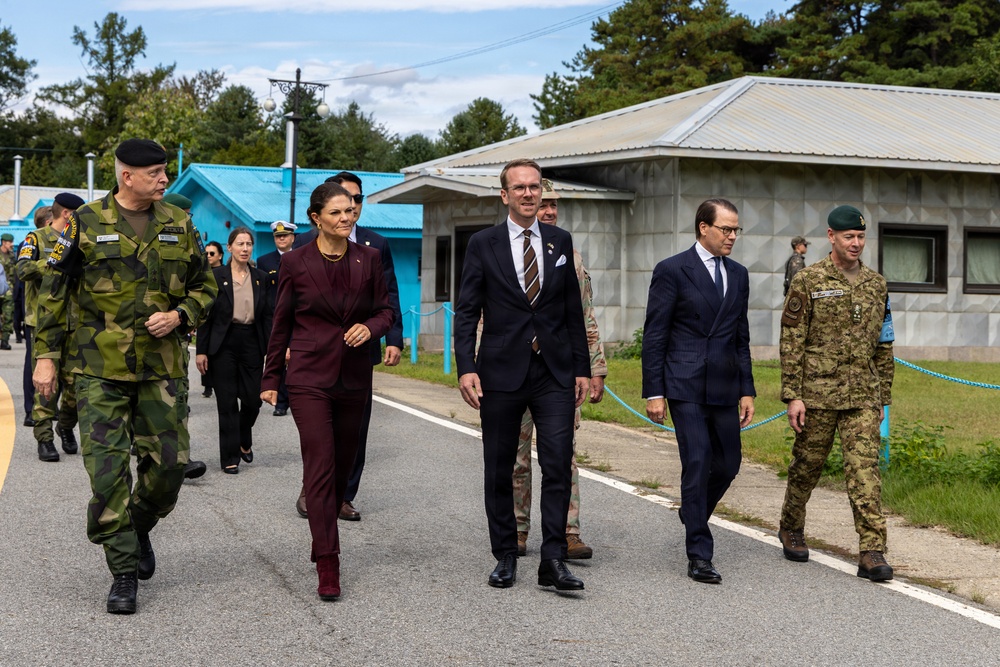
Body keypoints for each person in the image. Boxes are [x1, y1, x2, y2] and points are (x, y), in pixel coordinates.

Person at [33, 138, 217, 615]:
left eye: (163, 172)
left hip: (161, 370)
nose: (163, 179)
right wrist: (46, 356)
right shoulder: (85, 223)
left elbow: (205, 286)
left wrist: (180, 315)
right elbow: (54, 291)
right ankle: (122, 572)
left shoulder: (180, 223)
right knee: (108, 475)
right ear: (126, 176)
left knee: (170, 470)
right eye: (155, 172)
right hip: (99, 371)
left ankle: (137, 529)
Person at [455, 158, 590, 592]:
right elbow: (467, 311)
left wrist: (583, 369)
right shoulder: (483, 243)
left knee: (557, 465)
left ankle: (553, 559)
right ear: (504, 195)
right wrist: (466, 367)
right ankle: (506, 555)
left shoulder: (560, 241)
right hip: (500, 372)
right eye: (520, 188)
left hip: (553, 372)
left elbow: (572, 310)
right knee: (499, 467)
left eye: (535, 187)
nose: (529, 194)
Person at [260, 181, 392, 602]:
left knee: (342, 468)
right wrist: (269, 379)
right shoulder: (295, 262)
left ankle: (325, 526)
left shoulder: (368, 258)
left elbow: (387, 309)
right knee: (319, 464)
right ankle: (328, 560)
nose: (346, 218)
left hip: (354, 378)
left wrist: (370, 328)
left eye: (351, 210)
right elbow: (281, 322)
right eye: (337, 212)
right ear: (316, 218)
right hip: (309, 378)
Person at [778, 204, 895, 582]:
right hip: (817, 393)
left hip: (862, 394)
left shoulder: (877, 284)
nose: (856, 243)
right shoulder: (808, 280)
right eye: (849, 237)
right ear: (832, 237)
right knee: (806, 467)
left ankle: (872, 550)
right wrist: (793, 395)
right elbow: (792, 340)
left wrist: (883, 398)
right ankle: (791, 525)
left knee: (865, 473)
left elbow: (884, 344)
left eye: (861, 236)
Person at [641, 197, 756, 585]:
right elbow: (655, 335)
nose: (732, 236)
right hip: (684, 383)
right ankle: (699, 554)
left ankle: (693, 510)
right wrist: (653, 391)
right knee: (698, 461)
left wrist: (747, 389)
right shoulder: (672, 270)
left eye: (736, 230)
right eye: (726, 229)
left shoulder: (738, 275)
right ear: (703, 228)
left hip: (725, 384)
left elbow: (742, 337)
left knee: (729, 464)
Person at [292, 171, 403, 522]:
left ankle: (343, 494)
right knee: (319, 432)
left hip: (359, 350)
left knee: (354, 430)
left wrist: (392, 338)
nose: (350, 209)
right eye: (342, 202)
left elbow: (389, 295)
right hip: (315, 356)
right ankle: (315, 488)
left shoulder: (375, 245)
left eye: (356, 201)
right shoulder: (303, 246)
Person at [512, 179, 606, 560]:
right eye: (542, 202)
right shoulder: (502, 249)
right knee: (514, 457)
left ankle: (568, 531)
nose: (548, 210)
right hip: (513, 370)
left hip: (559, 371)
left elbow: (584, 315)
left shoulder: (569, 252)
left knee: (562, 454)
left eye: (553, 205)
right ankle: (516, 529)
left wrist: (595, 367)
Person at [196, 227, 271, 474]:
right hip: (223, 343)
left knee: (252, 400)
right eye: (240, 244)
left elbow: (268, 316)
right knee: (227, 402)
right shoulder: (216, 276)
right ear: (229, 248)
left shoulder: (261, 277)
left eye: (249, 244)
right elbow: (206, 316)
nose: (245, 248)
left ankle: (243, 438)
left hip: (251, 341)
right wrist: (202, 350)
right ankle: (230, 456)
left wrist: (275, 349)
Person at [18, 196, 85, 461]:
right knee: (46, 383)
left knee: (75, 384)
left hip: (76, 322)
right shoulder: (36, 238)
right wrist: (52, 263)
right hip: (44, 322)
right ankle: (44, 438)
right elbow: (23, 270)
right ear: (67, 214)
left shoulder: (80, 240)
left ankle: (66, 427)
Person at [162, 192, 208, 481]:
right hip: (143, 337)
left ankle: (181, 458)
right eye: (186, 213)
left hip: (176, 335)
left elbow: (201, 286)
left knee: (178, 397)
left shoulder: (188, 242)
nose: (190, 219)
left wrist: (186, 315)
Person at [255, 220, 296, 418]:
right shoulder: (265, 261)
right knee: (278, 357)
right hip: (274, 318)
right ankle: (281, 402)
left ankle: (295, 398)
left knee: (296, 359)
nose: (281, 239)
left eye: (285, 236)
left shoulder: (301, 257)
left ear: (292, 238)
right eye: (278, 236)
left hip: (298, 318)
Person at [200, 240, 224, 399]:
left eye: (212, 253)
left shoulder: (224, 273)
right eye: (206, 253)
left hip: (220, 316)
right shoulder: (202, 273)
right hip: (206, 314)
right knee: (204, 350)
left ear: (220, 255)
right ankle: (207, 385)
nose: (208, 256)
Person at [1, 232, 16, 349]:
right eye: (10, 242)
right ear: (4, 243)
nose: (12, 244)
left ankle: (4, 341)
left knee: (8, 315)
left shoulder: (12, 256)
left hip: (8, 291)